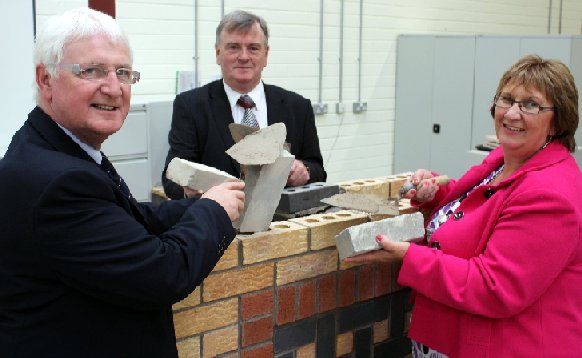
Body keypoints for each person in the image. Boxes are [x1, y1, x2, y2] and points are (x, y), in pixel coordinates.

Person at [0, 8, 245, 357]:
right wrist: (213, 212)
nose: (114, 88)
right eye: (93, 70)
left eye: (123, 72)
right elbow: (163, 272)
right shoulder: (58, 181)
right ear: (46, 80)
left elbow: (128, 220)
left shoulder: (59, 149)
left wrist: (198, 203)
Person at [346, 55, 582, 357]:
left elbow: (494, 287)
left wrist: (409, 257)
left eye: (530, 104)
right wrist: (436, 195)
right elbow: (483, 211)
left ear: (558, 122)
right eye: (506, 99)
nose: (511, 113)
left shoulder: (550, 195)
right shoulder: (505, 160)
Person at [162, 10, 326, 200]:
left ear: (266, 54)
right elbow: (171, 181)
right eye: (233, 47)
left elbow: (318, 171)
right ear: (218, 54)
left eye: (253, 48)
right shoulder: (191, 106)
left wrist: (305, 170)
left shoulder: (298, 107)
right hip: (219, 222)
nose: (244, 56)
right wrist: (188, 187)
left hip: (284, 223)